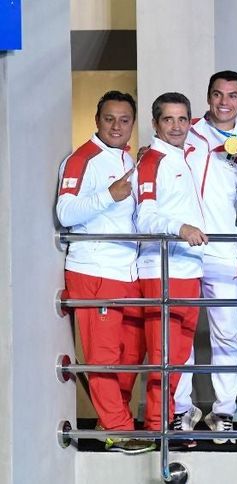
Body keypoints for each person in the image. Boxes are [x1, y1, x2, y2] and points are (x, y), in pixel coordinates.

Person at [170, 70, 237, 445]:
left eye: (232, 96)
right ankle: (181, 409)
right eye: (217, 94)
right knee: (179, 333)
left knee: (226, 336)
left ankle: (223, 412)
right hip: (181, 248)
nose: (224, 102)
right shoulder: (186, 133)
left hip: (221, 250)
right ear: (208, 97)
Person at [56, 91, 151, 455]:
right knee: (104, 355)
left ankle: (112, 419)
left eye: (124, 120)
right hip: (94, 270)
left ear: (132, 124)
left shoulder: (127, 157)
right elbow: (65, 212)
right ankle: (118, 429)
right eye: (109, 119)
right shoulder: (82, 158)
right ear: (97, 120)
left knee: (132, 353)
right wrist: (109, 195)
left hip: (127, 271)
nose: (116, 126)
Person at [135, 92, 208, 438]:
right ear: (155, 123)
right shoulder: (152, 161)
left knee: (177, 356)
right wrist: (181, 229)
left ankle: (167, 423)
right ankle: (157, 428)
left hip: (189, 269)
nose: (177, 126)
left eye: (182, 119)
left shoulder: (183, 156)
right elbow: (145, 217)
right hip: (163, 271)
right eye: (168, 119)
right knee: (164, 356)